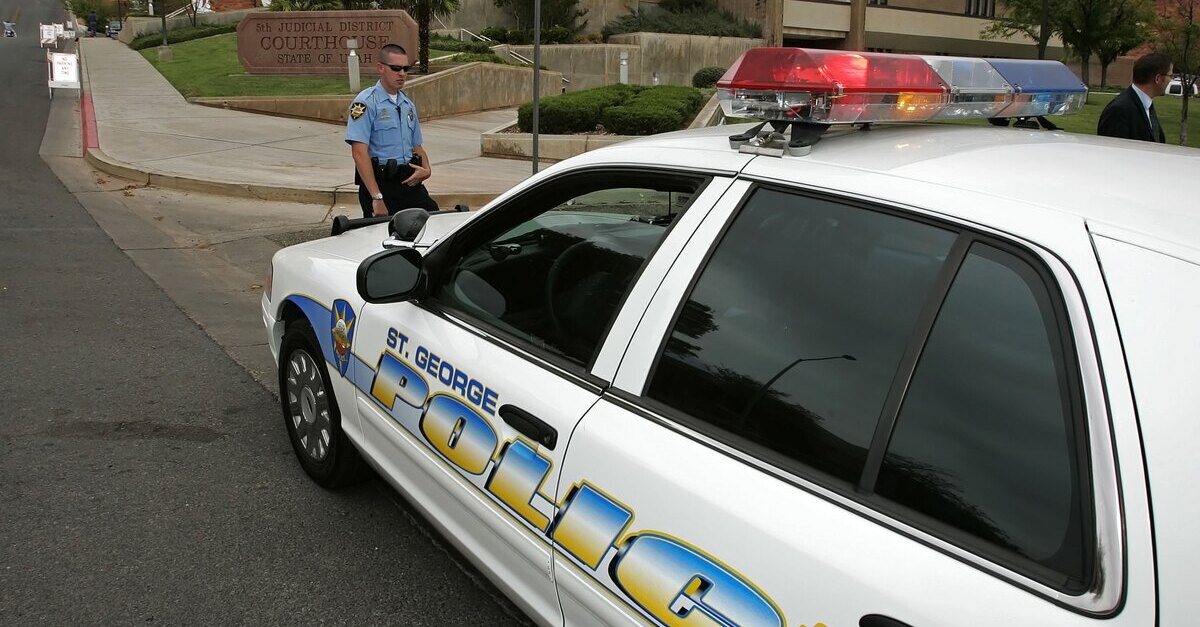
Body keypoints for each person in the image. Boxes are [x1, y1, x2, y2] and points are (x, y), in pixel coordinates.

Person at [345, 43, 438, 218]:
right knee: (384, 240)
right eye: (396, 68)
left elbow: (417, 146)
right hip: (381, 185)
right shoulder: (365, 103)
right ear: (380, 68)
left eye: (405, 68)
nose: (402, 74)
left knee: (434, 224)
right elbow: (359, 153)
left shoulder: (407, 104)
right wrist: (377, 197)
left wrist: (427, 170)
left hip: (409, 183)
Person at [1097, 52, 1173, 143]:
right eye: (1170, 76)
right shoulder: (1119, 111)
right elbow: (1113, 153)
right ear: (1158, 79)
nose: (1171, 80)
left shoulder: (1146, 106)